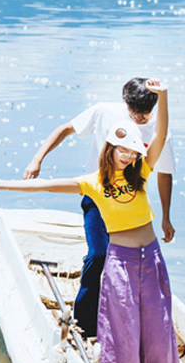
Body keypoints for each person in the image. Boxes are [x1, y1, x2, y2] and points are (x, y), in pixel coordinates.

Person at [0, 80, 179, 363]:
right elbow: (45, 186)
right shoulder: (93, 183)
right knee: (122, 323)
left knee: (157, 323)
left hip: (151, 257)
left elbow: (161, 133)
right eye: (121, 150)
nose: (127, 156)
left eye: (132, 151)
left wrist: (165, 95)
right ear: (109, 149)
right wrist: (4, 183)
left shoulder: (141, 173)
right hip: (121, 260)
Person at [23, 78, 176, 338]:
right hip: (97, 197)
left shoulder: (159, 131)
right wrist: (37, 158)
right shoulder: (104, 111)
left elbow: (164, 173)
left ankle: (131, 323)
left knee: (133, 264)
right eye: (134, 111)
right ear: (125, 102)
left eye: (145, 113)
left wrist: (166, 217)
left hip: (129, 204)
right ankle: (83, 323)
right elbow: (66, 129)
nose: (139, 118)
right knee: (98, 254)